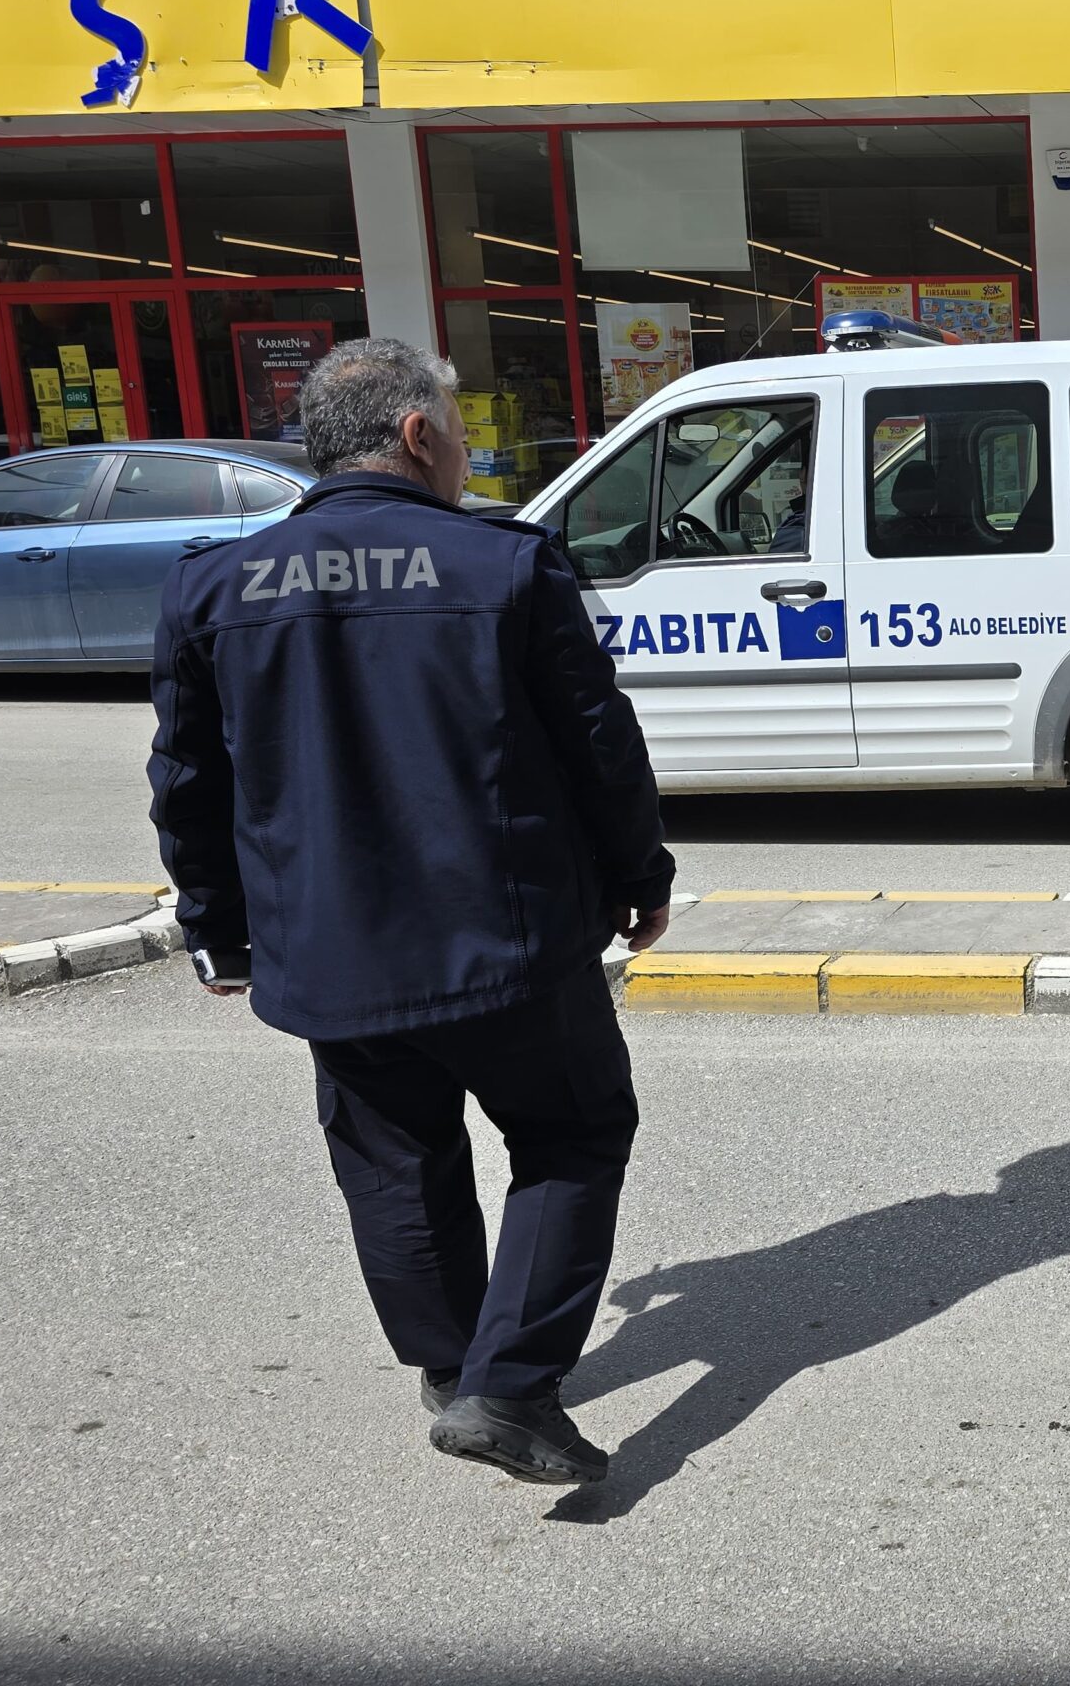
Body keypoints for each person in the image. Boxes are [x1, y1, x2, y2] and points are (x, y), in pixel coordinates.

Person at [148, 338, 675, 1488]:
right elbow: (600, 745)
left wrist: (216, 929)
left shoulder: (213, 587)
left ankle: (452, 1365)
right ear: (417, 435)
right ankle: (508, 1385)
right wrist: (644, 876)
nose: (466, 454)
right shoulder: (503, 564)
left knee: (394, 1159)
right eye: (460, 432)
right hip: (508, 941)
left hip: (327, 950)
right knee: (573, 1137)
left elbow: (190, 784)